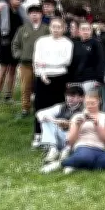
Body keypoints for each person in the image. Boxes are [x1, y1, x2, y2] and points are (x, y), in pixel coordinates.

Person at [41, 91, 105, 173]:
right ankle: (63, 164)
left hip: (100, 149)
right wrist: (78, 126)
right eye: (87, 103)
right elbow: (70, 142)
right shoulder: (78, 116)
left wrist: (96, 125)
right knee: (85, 156)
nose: (90, 106)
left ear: (99, 101)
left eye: (92, 103)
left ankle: (75, 164)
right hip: (83, 147)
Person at [32, 17, 74, 147]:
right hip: (43, 77)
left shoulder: (67, 43)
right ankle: (38, 134)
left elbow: (66, 61)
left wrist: (47, 64)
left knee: (57, 106)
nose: (56, 30)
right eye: (53, 27)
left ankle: (56, 134)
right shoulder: (41, 41)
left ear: (63, 28)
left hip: (59, 77)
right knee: (40, 105)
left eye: (59, 27)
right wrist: (42, 73)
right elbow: (37, 60)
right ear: (50, 27)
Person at [12, 4, 50, 118]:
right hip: (26, 64)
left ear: (41, 15)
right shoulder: (22, 29)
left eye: (37, 13)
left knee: (41, 87)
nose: (34, 15)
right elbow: (15, 45)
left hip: (42, 65)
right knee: (26, 87)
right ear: (28, 15)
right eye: (32, 13)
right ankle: (25, 109)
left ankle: (41, 108)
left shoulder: (46, 29)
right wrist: (20, 55)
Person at [0, 0, 25, 107]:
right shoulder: (4, 10)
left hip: (16, 45)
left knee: (13, 70)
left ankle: (8, 96)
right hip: (5, 44)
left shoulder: (21, 13)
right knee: (3, 69)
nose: (18, 0)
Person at [36, 85, 85, 163]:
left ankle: (66, 152)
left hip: (75, 140)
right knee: (46, 121)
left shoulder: (85, 109)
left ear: (81, 98)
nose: (69, 98)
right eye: (67, 96)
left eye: (72, 96)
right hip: (60, 138)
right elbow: (40, 114)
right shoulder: (61, 107)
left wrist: (69, 124)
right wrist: (55, 121)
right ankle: (53, 150)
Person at [71, 21, 105, 93]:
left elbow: (101, 61)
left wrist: (99, 79)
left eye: (88, 29)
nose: (85, 31)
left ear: (91, 31)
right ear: (79, 31)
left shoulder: (96, 43)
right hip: (75, 79)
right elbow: (71, 62)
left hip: (91, 79)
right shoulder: (74, 43)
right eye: (83, 29)